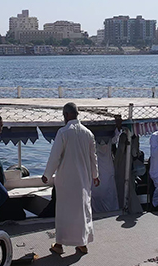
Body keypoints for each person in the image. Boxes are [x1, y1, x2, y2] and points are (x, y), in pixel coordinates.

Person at [42, 102, 98, 255]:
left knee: (64, 213)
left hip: (66, 180)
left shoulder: (63, 132)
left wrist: (47, 175)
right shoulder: (88, 133)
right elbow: (93, 157)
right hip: (83, 180)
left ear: (66, 115)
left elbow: (55, 157)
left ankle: (59, 244)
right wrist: (95, 175)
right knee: (82, 211)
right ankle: (82, 243)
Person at [91, 116, 121, 213]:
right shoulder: (92, 142)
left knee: (107, 193)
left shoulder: (93, 142)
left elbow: (116, 136)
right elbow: (116, 136)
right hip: (100, 169)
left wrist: (118, 126)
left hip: (103, 169)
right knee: (100, 192)